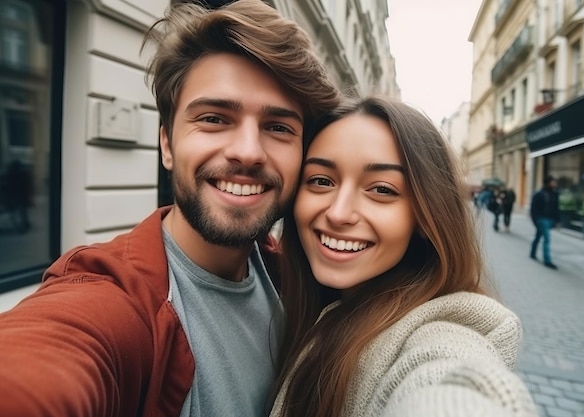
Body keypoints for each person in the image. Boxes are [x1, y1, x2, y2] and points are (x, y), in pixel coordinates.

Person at [0, 1, 339, 416]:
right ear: (166, 144)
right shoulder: (114, 298)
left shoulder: (291, 279)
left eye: (278, 127)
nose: (248, 152)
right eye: (214, 118)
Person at [270, 96, 538, 417]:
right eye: (321, 181)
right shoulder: (285, 291)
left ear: (426, 218)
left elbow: (449, 382)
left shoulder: (440, 333)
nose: (339, 213)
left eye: (382, 189)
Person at [530, 175, 560, 270]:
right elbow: (533, 209)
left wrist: (557, 221)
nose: (554, 184)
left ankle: (532, 252)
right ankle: (547, 260)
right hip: (542, 219)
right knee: (547, 239)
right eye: (553, 182)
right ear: (548, 183)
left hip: (550, 219)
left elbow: (556, 208)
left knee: (538, 236)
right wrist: (535, 221)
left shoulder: (555, 194)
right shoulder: (539, 194)